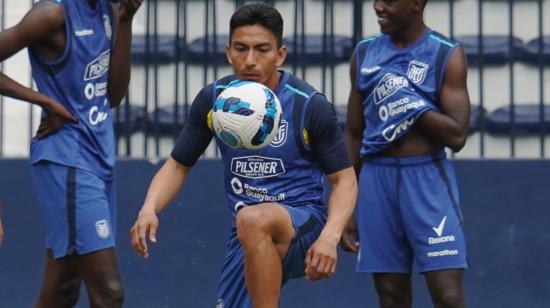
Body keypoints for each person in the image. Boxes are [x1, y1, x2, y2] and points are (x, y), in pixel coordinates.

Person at [130, 3, 357, 308]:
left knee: (250, 218)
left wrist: (330, 236)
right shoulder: (215, 100)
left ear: (280, 55)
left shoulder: (308, 105)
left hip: (304, 224)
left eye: (262, 49)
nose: (250, 60)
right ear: (228, 52)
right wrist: (149, 207)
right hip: (248, 234)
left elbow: (344, 180)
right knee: (249, 223)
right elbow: (178, 165)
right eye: (241, 48)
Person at [0, 0, 142, 307]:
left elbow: (113, 95)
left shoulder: (107, 10)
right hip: (67, 161)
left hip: (100, 158)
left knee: (63, 288)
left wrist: (126, 21)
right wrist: (44, 101)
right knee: (109, 291)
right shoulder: (52, 13)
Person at [341, 0, 470, 307]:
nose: (377, 6)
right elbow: (354, 133)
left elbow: (458, 135)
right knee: (391, 298)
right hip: (377, 179)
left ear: (415, 4)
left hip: (426, 178)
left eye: (388, 1)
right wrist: (345, 209)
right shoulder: (364, 53)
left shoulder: (445, 53)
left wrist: (409, 104)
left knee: (448, 297)